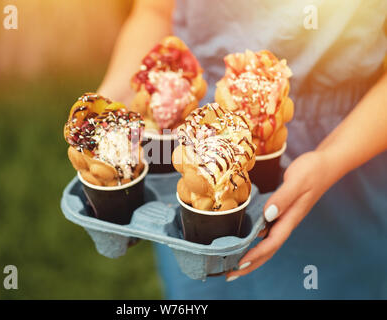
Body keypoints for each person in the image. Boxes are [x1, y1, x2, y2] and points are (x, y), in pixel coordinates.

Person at [98, 0, 387, 299]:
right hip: (197, 139)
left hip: (345, 156)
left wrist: (331, 159)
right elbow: (155, 12)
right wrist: (108, 105)